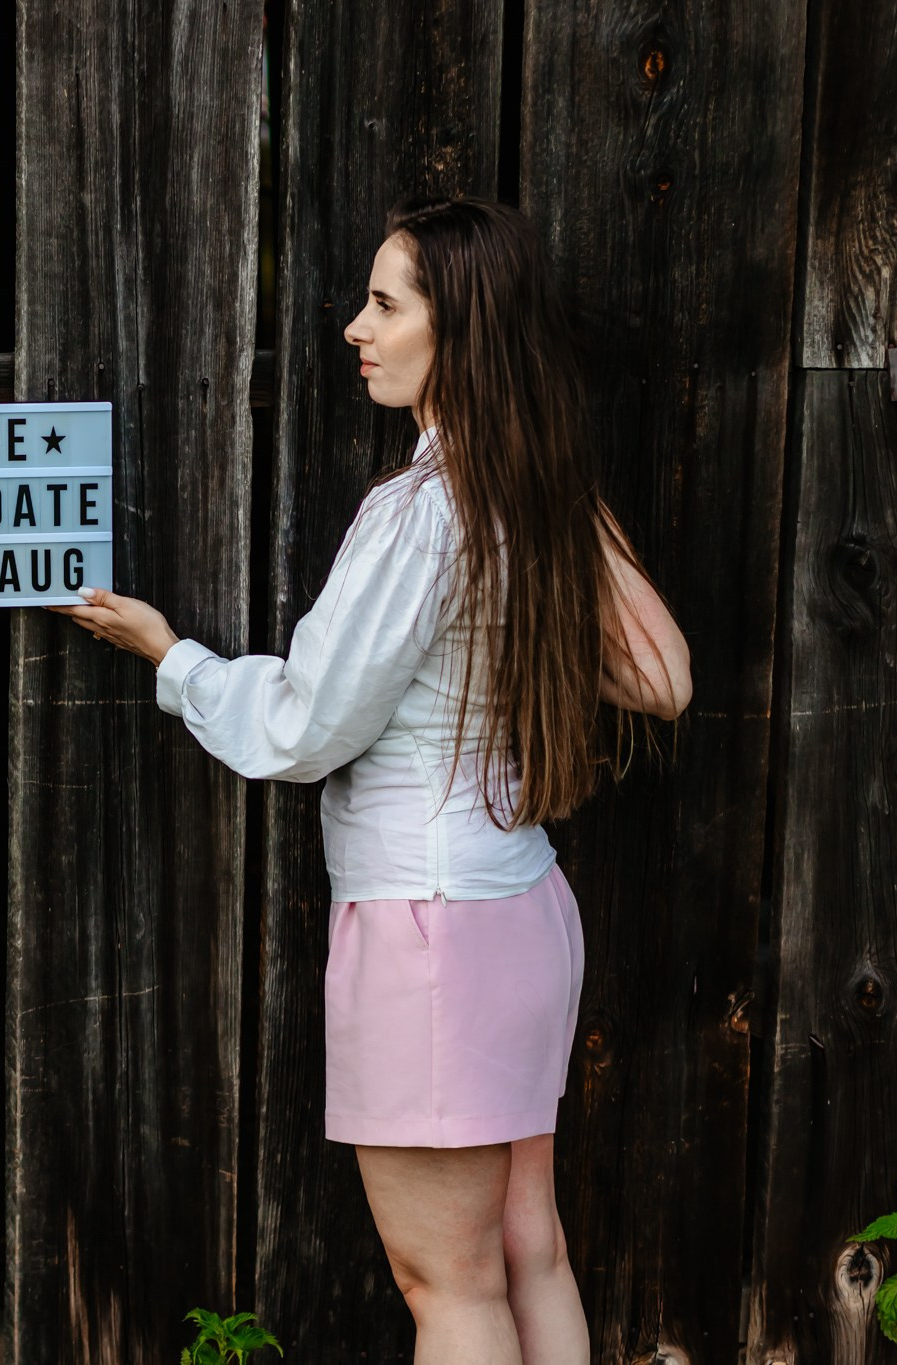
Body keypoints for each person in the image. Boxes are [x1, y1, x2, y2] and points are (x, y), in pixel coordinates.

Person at [50, 197, 691, 1365]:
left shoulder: (422, 513)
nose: (355, 327)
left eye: (385, 306)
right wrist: (545, 473)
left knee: (445, 1283)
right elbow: (663, 676)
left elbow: (304, 727)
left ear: (466, 338)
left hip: (429, 930)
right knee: (525, 1249)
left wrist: (171, 656)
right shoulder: (517, 500)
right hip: (520, 917)